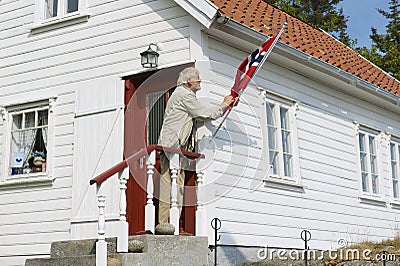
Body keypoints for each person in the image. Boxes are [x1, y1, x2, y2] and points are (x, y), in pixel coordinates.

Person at [157, 67, 234, 230]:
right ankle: (167, 226)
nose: (200, 81)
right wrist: (224, 104)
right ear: (189, 81)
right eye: (198, 78)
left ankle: (168, 225)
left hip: (174, 146)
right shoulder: (184, 95)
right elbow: (204, 113)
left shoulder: (182, 95)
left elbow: (197, 117)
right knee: (172, 184)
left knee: (173, 184)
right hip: (173, 147)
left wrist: (225, 107)